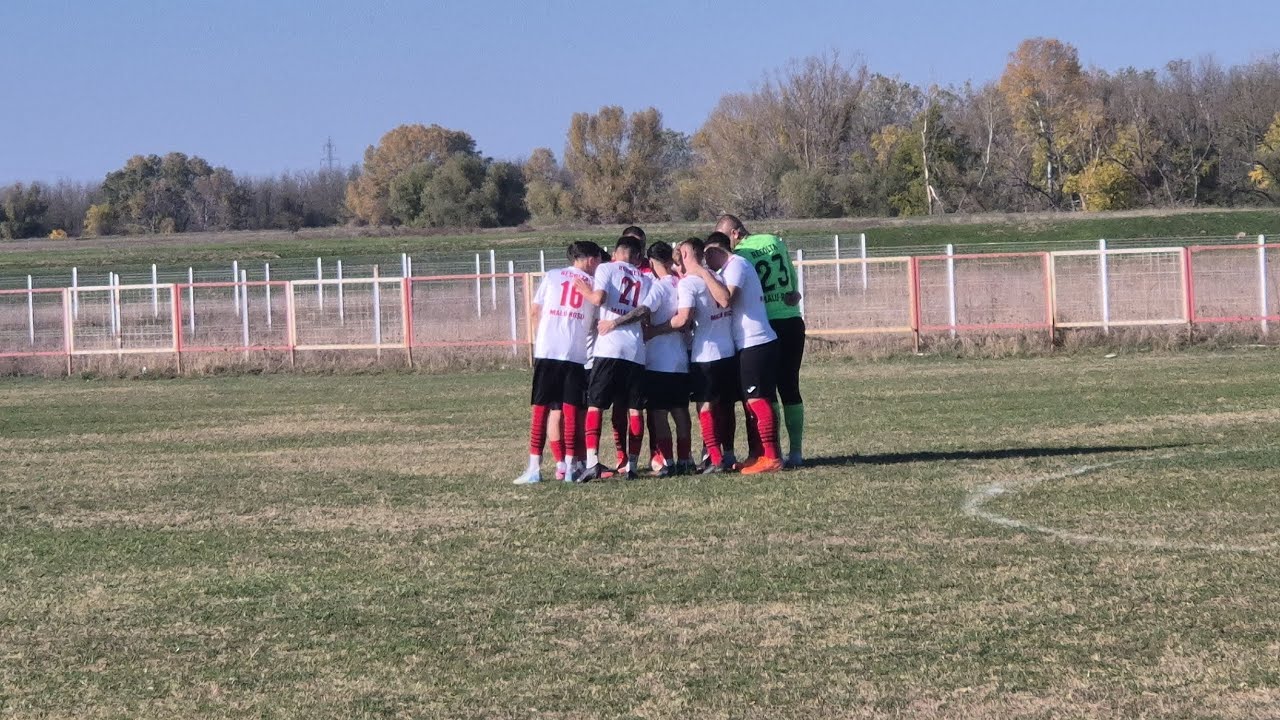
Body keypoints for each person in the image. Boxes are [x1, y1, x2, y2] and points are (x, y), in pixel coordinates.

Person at [714, 214, 806, 468]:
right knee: (790, 387)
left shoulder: (740, 256)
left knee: (765, 392)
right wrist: (792, 295)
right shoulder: (775, 240)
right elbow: (791, 280)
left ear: (734, 234)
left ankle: (770, 452)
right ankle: (796, 451)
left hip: (767, 322)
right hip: (792, 319)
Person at [690, 232, 783, 474]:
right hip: (746, 344)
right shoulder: (728, 270)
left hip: (756, 341)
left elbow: (725, 299)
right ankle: (760, 455)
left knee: (757, 400)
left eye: (707, 256)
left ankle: (772, 457)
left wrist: (702, 273)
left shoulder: (736, 265)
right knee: (751, 402)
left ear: (715, 251)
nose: (705, 261)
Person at [514, 241, 604, 484]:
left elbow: (534, 311)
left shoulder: (552, 275)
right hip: (574, 354)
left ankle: (534, 468)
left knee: (540, 410)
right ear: (589, 260)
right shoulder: (594, 284)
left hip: (547, 351)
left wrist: (543, 337)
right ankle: (572, 468)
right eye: (597, 260)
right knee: (571, 410)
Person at [573, 235, 653, 481]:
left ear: (617, 252)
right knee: (635, 409)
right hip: (635, 350)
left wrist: (583, 289)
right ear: (638, 256)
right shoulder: (646, 278)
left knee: (596, 404)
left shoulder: (606, 268)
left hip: (608, 348)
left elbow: (599, 299)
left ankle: (593, 461)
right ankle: (632, 465)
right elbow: (644, 313)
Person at [667, 237, 737, 473]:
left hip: (705, 354)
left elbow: (684, 319)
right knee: (724, 407)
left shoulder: (688, 284)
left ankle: (714, 458)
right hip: (727, 350)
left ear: (685, 254)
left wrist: (656, 328)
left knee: (704, 408)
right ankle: (727, 454)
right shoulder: (717, 275)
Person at [639, 241, 694, 476]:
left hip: (658, 360)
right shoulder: (681, 284)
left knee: (659, 413)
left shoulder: (659, 287)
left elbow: (644, 310)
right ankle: (685, 459)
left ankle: (668, 462)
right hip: (680, 358)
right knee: (681, 411)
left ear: (651, 263)